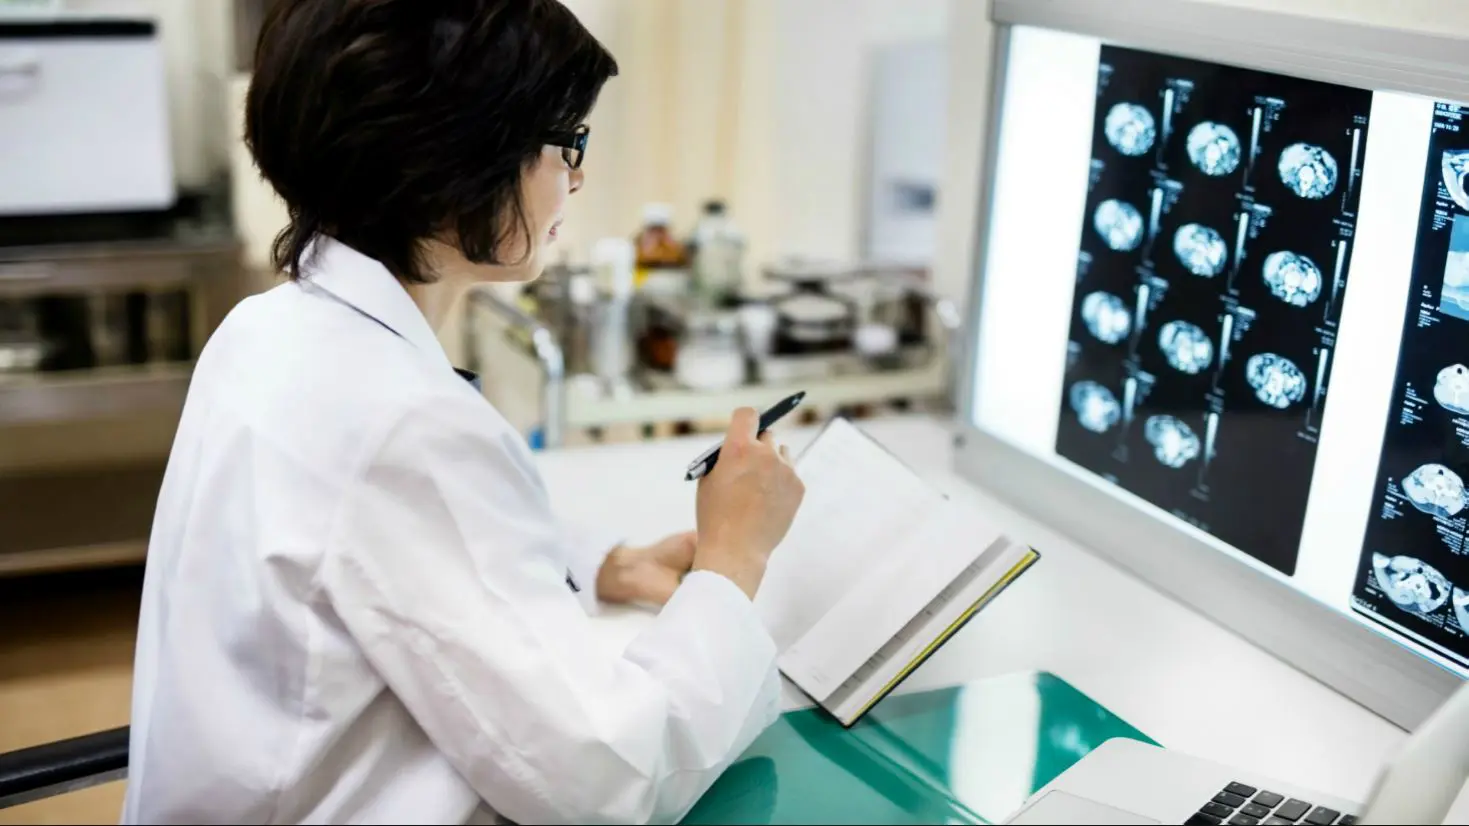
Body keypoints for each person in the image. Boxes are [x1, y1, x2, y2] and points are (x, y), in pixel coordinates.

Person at [121, 1, 806, 823]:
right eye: (567, 143)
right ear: (464, 160)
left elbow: (374, 560)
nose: (577, 176)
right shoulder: (401, 422)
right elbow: (606, 779)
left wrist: (599, 565)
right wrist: (734, 558)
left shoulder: (268, 328)